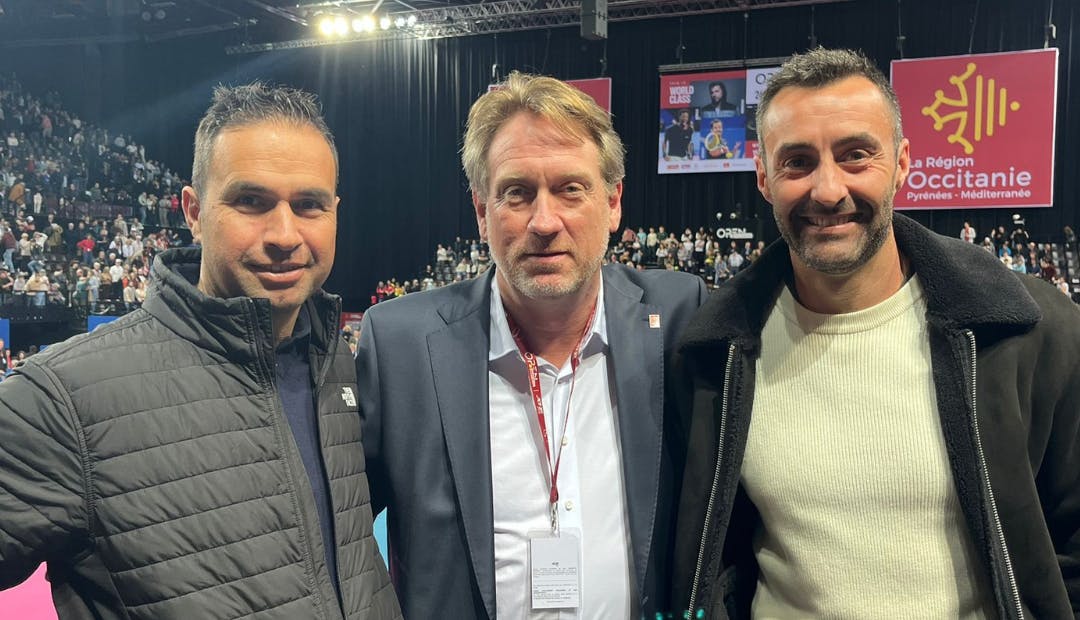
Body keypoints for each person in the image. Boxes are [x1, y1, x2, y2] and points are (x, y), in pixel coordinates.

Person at [672, 48, 1080, 619]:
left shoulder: (1031, 331)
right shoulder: (717, 353)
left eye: (855, 155)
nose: (827, 189)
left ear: (902, 162)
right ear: (763, 177)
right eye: (797, 162)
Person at [0, 83, 401, 619]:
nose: (285, 234)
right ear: (192, 210)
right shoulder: (63, 400)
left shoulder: (339, 368)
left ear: (335, 212)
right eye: (251, 201)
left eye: (309, 205)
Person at [356, 72, 707, 619]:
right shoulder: (401, 346)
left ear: (613, 202)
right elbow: (333, 537)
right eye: (517, 193)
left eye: (571, 189)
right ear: (481, 211)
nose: (544, 222)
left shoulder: (682, 317)